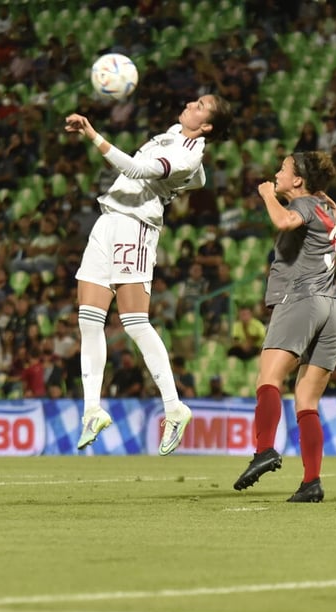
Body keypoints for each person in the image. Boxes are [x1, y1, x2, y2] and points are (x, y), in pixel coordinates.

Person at [63, 94, 233, 455]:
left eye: (200, 105)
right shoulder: (175, 135)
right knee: (89, 321)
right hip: (108, 220)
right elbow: (199, 181)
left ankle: (174, 407)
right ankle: (92, 410)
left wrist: (94, 135)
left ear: (206, 126)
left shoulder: (188, 153)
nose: (190, 102)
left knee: (135, 322)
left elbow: (137, 170)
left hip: (136, 225)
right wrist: (188, 179)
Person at [232, 150, 336, 503]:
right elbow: (333, 209)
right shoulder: (326, 209)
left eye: (283, 169)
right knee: (307, 400)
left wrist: (268, 195)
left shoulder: (306, 206)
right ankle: (312, 481)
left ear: (298, 180)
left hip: (301, 299)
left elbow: (284, 222)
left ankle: (265, 449)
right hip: (332, 307)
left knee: (269, 378)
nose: (276, 173)